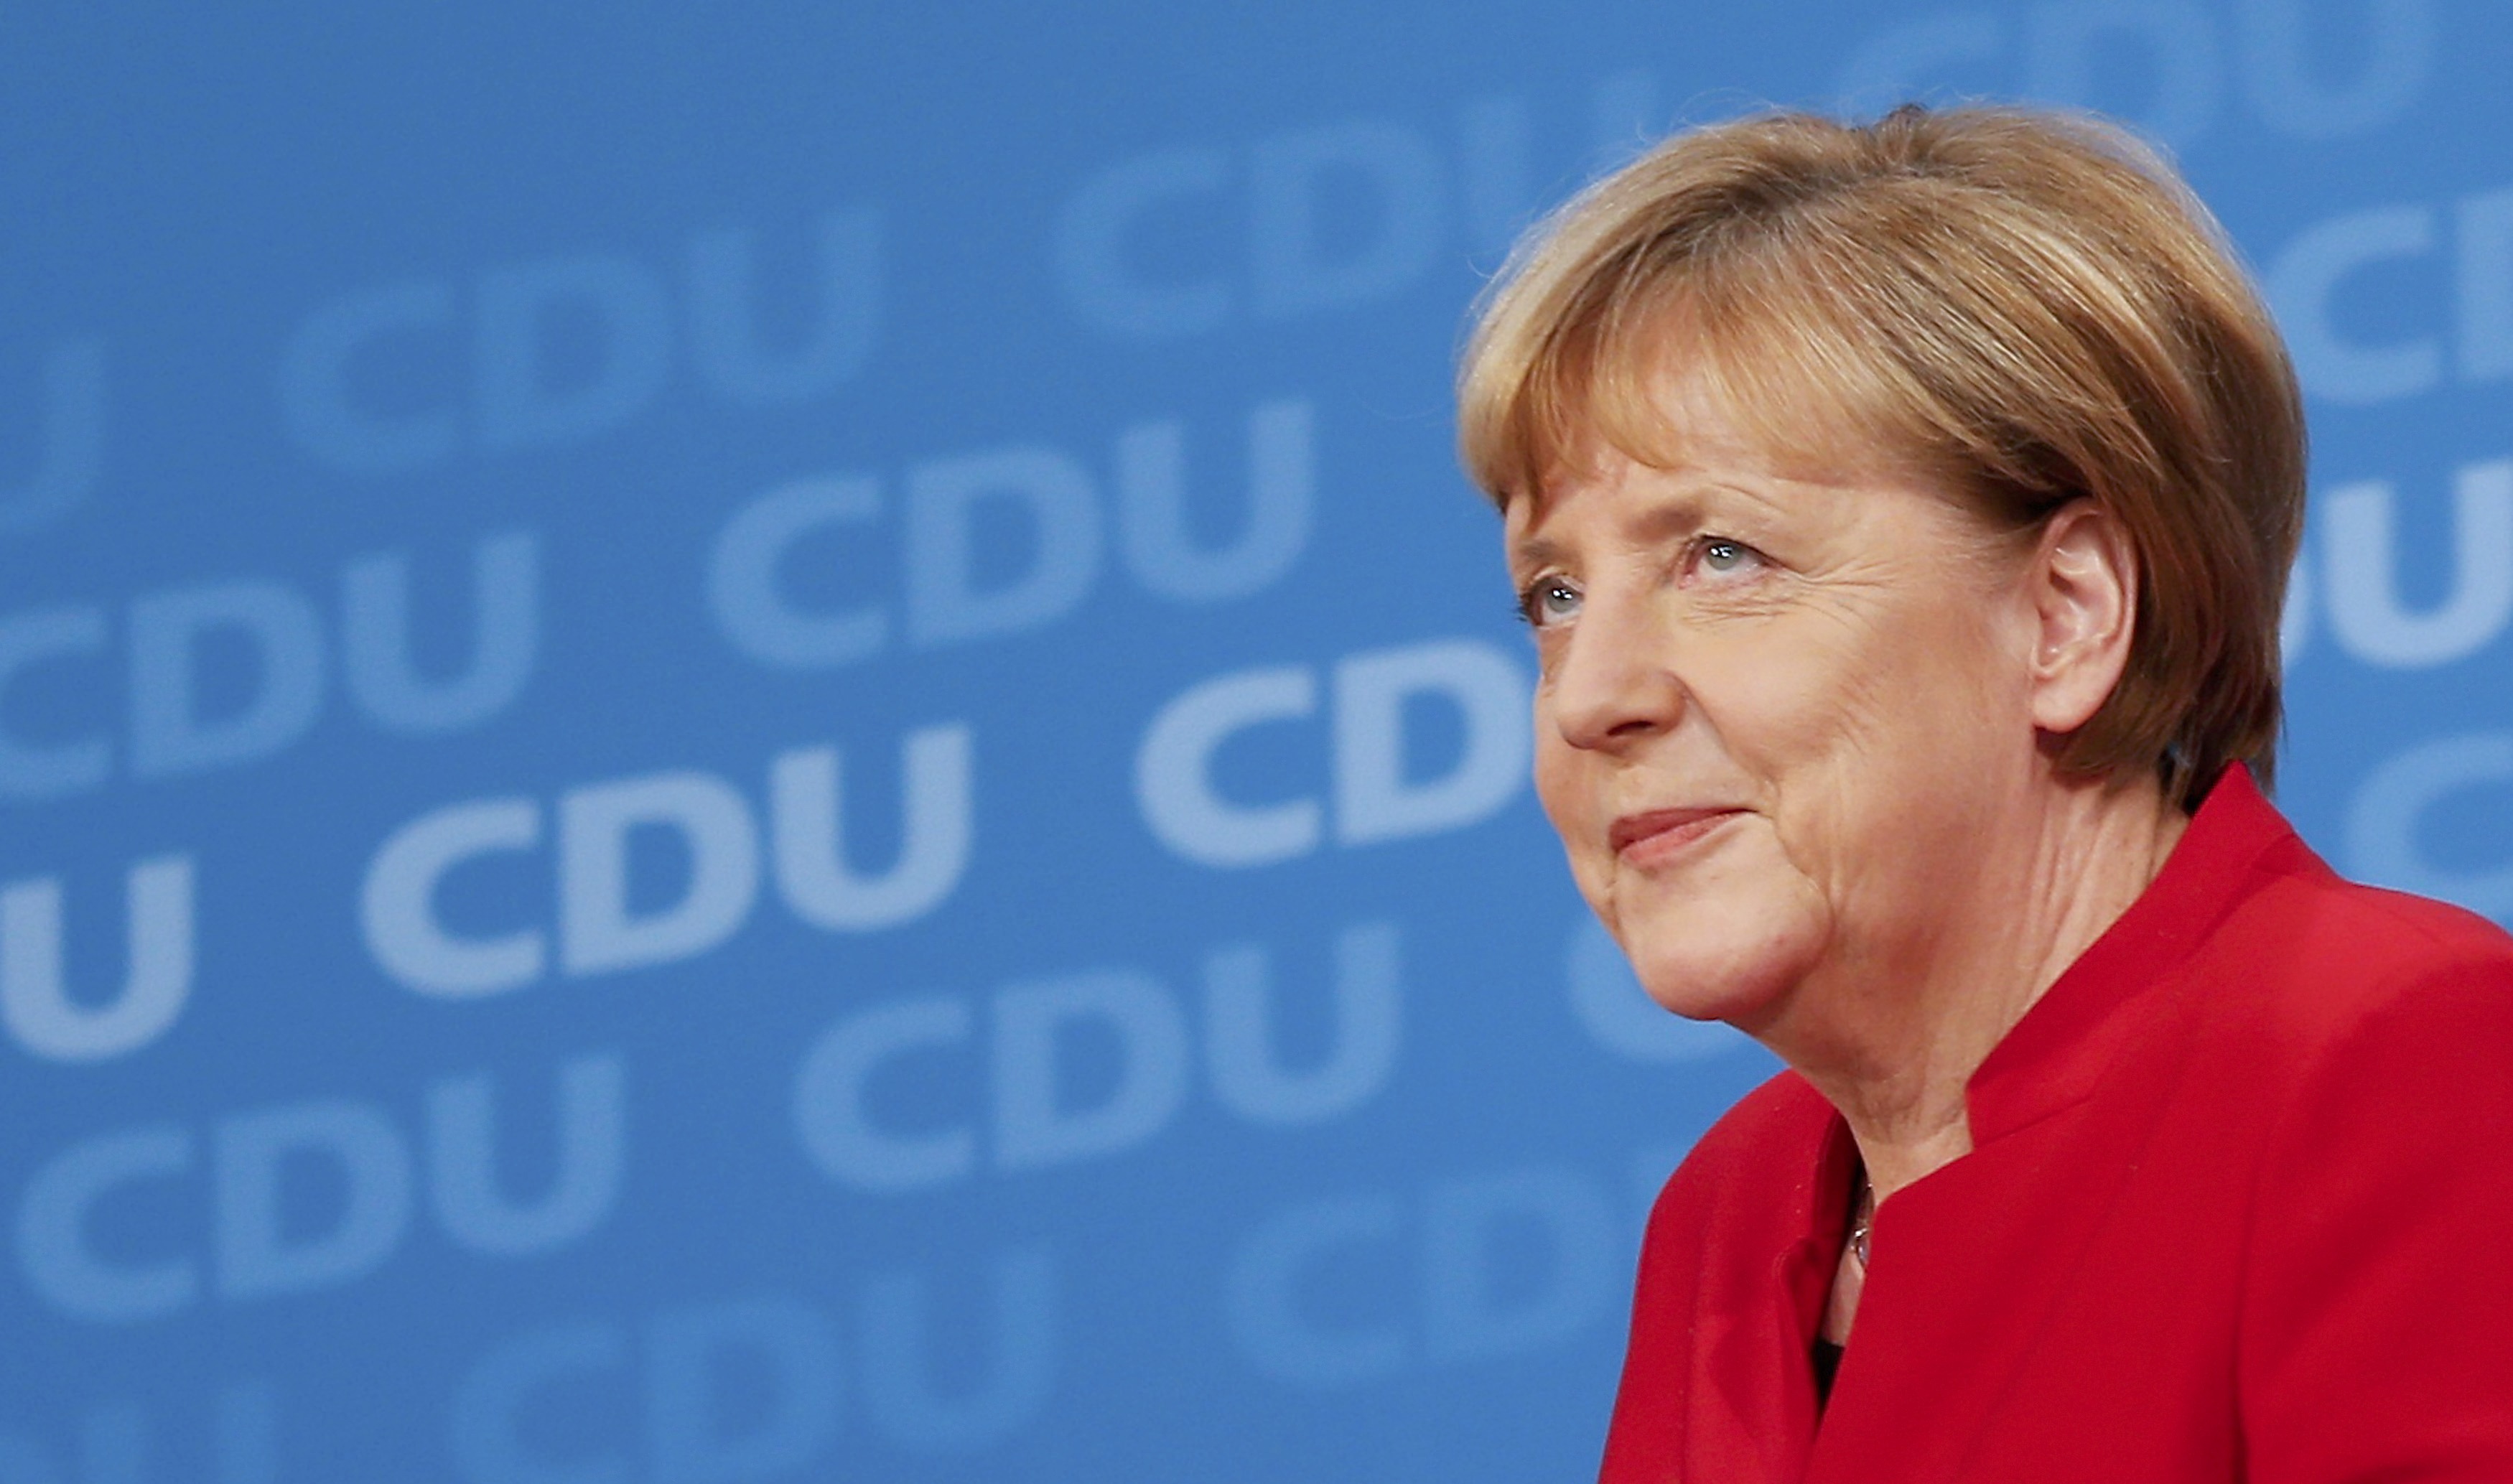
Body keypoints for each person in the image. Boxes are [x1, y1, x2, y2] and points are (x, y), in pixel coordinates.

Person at [1455, 104, 2513, 1482]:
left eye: (1721, 555)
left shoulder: (2388, 1053)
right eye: (1554, 593)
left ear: (2065, 613)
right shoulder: (1730, 1213)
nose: (1590, 695)